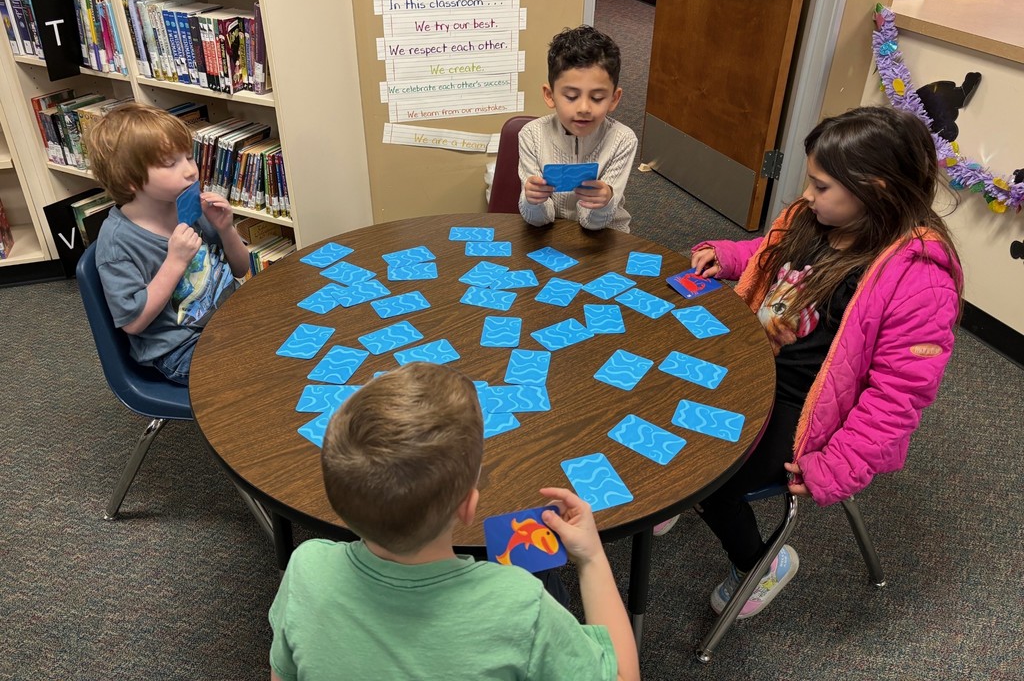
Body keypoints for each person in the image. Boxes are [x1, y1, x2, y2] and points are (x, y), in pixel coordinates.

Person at [674, 106, 962, 619]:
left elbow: (898, 397)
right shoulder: (814, 219)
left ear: (874, 187)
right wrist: (732, 257)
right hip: (757, 362)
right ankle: (675, 492)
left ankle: (759, 565)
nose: (807, 195)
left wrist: (841, 464)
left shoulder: (919, 279)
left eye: (821, 185)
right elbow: (773, 252)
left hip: (810, 412)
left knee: (708, 475)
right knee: (666, 398)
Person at [268, 362, 640, 681]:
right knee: (549, 581)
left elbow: (283, 672)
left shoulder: (305, 568)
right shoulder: (520, 605)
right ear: (468, 506)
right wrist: (591, 557)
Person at [87, 102, 250, 385]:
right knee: (260, 370)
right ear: (130, 180)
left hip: (232, 317)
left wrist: (226, 230)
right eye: (170, 163)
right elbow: (133, 322)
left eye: (189, 157)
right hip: (180, 348)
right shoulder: (118, 244)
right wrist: (175, 262)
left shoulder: (191, 207)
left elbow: (240, 267)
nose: (190, 171)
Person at [518, 25, 637, 232]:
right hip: (549, 232)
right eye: (571, 97)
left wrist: (606, 200)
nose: (584, 108)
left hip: (605, 233)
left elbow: (593, 223)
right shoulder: (531, 135)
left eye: (597, 98)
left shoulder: (622, 140)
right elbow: (538, 220)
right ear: (549, 95)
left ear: (614, 99)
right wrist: (533, 200)